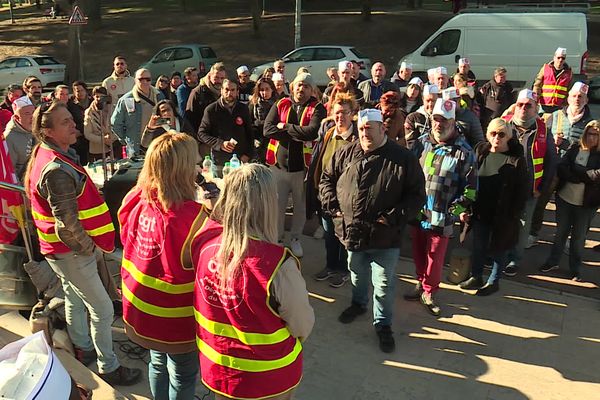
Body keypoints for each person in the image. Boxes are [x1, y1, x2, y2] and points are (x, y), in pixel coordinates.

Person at [23, 101, 141, 385]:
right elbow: (66, 222)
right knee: (100, 309)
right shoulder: (56, 169)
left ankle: (83, 348)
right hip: (72, 252)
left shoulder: (49, 154)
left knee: (74, 296)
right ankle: (108, 367)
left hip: (62, 252)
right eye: (65, 122)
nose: (74, 124)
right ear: (48, 132)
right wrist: (88, 248)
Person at [192, 163, 314, 400]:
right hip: (269, 379)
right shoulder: (277, 264)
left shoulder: (205, 248)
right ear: (269, 205)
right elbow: (301, 324)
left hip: (221, 372)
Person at [319, 108, 425, 352]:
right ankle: (358, 304)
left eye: (370, 128)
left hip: (385, 236)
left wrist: (392, 218)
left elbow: (416, 196)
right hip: (352, 232)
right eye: (361, 128)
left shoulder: (403, 158)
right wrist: (333, 208)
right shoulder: (346, 152)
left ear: (381, 129)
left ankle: (383, 324)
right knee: (356, 273)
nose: (365, 132)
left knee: (384, 283)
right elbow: (326, 180)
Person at [119, 132, 208, 400]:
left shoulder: (135, 198)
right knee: (182, 374)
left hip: (141, 309)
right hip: (174, 320)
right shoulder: (195, 217)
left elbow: (125, 238)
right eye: (194, 162)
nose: (199, 165)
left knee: (158, 363)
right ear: (181, 170)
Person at [406, 98, 477, 316]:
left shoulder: (465, 153)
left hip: (441, 218)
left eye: (444, 120)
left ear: (453, 122)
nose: (439, 124)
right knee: (418, 253)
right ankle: (420, 283)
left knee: (434, 259)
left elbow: (471, 191)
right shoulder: (423, 143)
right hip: (418, 213)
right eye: (436, 119)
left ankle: (429, 291)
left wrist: (452, 212)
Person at [458, 118, 527, 296]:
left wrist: (514, 214)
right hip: (480, 210)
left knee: (499, 248)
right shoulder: (481, 150)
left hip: (503, 213)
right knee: (479, 246)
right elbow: (469, 179)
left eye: (501, 134)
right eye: (493, 133)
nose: (497, 137)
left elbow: (522, 190)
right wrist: (464, 208)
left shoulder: (516, 160)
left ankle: (493, 281)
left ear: (508, 137)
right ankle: (477, 276)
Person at [263, 73, 327, 257]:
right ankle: (278, 238)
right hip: (278, 167)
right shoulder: (281, 103)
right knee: (276, 206)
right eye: (299, 85)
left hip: (302, 169)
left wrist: (285, 127)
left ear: (312, 89)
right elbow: (268, 129)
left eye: (306, 86)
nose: (301, 89)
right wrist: (297, 134)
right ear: (293, 87)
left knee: (300, 207)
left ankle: (295, 238)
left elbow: (312, 132)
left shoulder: (317, 108)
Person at [528, 82, 594, 248]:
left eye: (581, 97)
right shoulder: (556, 116)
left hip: (573, 173)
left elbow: (591, 147)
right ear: (568, 98)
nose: (577, 99)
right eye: (574, 96)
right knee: (541, 202)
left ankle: (565, 240)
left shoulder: (591, 123)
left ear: (586, 100)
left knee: (570, 208)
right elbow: (542, 137)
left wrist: (569, 144)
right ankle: (533, 233)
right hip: (552, 169)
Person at [502, 89, 557, 277]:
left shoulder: (543, 130)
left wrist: (541, 188)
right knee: (502, 222)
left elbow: (551, 162)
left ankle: (514, 260)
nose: (524, 108)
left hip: (530, 190)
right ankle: (497, 255)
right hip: (505, 187)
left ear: (536, 109)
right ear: (515, 106)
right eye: (520, 104)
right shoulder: (504, 125)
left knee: (522, 226)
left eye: (528, 105)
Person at [307, 93, 359, 288]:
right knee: (329, 235)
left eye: (344, 113)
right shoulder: (329, 134)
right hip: (326, 196)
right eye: (337, 113)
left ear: (353, 114)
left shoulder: (357, 139)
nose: (340, 117)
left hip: (346, 199)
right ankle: (330, 266)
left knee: (344, 236)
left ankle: (343, 270)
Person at [538, 120, 600, 281]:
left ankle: (575, 269)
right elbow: (562, 166)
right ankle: (553, 262)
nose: (592, 138)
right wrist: (581, 174)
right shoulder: (574, 148)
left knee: (579, 238)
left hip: (586, 203)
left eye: (596, 135)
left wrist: (581, 173)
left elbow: (596, 177)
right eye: (589, 134)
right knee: (560, 233)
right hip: (565, 198)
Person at [197, 79, 254, 173]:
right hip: (220, 162)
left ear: (237, 92)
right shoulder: (211, 110)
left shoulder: (243, 108)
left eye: (232, 90)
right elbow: (201, 134)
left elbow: (250, 133)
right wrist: (220, 144)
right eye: (226, 90)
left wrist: (248, 154)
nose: (229, 93)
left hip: (240, 160)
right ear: (221, 90)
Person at [111, 68, 165, 154]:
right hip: (136, 148)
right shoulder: (126, 100)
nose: (145, 82)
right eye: (141, 79)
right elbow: (115, 123)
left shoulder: (159, 96)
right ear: (135, 80)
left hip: (157, 145)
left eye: (148, 79)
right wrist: (126, 140)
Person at [185, 62, 226, 131]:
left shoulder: (226, 91)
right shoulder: (197, 92)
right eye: (216, 77)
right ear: (210, 76)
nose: (219, 81)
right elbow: (190, 118)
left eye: (222, 78)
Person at [83, 86, 119, 162]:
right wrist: (103, 140)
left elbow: (120, 128)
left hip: (113, 148)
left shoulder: (113, 109)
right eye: (97, 96)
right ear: (93, 97)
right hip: (97, 150)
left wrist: (112, 137)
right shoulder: (89, 112)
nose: (99, 99)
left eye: (102, 97)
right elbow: (87, 133)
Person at [533, 47, 573, 114]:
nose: (560, 60)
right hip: (544, 105)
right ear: (554, 57)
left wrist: (566, 104)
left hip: (559, 107)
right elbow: (537, 85)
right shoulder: (545, 68)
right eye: (558, 57)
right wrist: (535, 100)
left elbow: (569, 90)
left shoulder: (568, 72)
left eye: (563, 58)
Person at [4, 96, 35, 181]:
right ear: (17, 118)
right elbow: (10, 171)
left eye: (33, 112)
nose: (32, 117)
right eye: (27, 114)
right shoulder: (9, 138)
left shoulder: (36, 129)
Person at [249, 77, 277, 163]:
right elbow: (250, 122)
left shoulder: (278, 104)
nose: (264, 92)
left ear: (272, 89)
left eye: (267, 89)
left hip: (273, 140)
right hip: (257, 140)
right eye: (261, 90)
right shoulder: (254, 104)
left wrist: (260, 123)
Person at [404, 84, 439, 150]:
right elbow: (410, 142)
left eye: (433, 101)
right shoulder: (413, 118)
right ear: (423, 99)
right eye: (428, 101)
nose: (430, 104)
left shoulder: (443, 118)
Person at [479, 67, 514, 131]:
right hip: (489, 116)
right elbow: (482, 98)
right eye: (501, 77)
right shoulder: (488, 86)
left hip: (503, 116)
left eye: (505, 77)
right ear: (496, 76)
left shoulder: (508, 87)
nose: (504, 79)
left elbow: (511, 99)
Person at [67, 81, 91, 165]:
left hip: (92, 134)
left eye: (81, 90)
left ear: (85, 91)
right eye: (77, 91)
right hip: (79, 138)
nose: (80, 93)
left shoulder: (92, 102)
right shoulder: (71, 105)